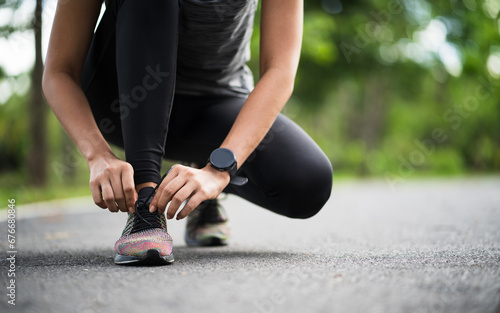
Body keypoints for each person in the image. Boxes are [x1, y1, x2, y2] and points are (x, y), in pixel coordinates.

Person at [42, 0, 333, 266]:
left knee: (309, 181)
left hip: (214, 104)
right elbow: (59, 71)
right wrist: (97, 154)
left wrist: (221, 167)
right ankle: (146, 210)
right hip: (121, 103)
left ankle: (200, 184)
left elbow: (280, 71)